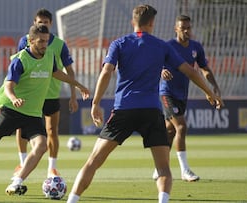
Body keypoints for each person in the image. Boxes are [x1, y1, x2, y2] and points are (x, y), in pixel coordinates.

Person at [66, 4, 223, 203]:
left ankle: (72, 200)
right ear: (152, 23)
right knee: (163, 168)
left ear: (133, 22)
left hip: (123, 110)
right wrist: (209, 92)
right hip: (151, 110)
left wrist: (96, 103)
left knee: (93, 161)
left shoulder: (119, 43)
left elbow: (106, 72)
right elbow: (191, 71)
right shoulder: (162, 46)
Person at [0, 24, 90, 196]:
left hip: (32, 113)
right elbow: (8, 86)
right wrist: (14, 98)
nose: (44, 45)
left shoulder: (50, 56)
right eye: (40, 41)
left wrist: (79, 86)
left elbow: (57, 73)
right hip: (11, 110)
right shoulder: (20, 60)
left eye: (46, 41)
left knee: (41, 146)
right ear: (31, 41)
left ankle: (17, 182)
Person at [154, 15, 223, 182]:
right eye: (183, 28)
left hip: (182, 95)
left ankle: (159, 168)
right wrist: (161, 71)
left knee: (170, 131)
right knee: (181, 128)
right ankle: (185, 171)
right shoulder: (168, 46)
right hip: (166, 93)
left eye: (188, 28)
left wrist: (214, 87)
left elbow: (204, 69)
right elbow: (155, 64)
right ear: (176, 29)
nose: (186, 31)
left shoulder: (196, 47)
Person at [13, 8, 78, 179]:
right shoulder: (24, 41)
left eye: (46, 23)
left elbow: (69, 70)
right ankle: (22, 162)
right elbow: (16, 69)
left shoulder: (59, 44)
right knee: (22, 130)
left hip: (50, 94)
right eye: (39, 22)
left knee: (52, 130)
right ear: (34, 23)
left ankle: (52, 168)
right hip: (30, 95)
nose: (42, 24)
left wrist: (73, 94)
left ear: (51, 24)